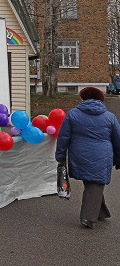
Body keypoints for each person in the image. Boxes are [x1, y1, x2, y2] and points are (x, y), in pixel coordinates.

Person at [55, 86, 120, 229]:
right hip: (102, 155)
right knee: (95, 183)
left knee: (92, 182)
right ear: (100, 99)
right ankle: (88, 217)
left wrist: (60, 156)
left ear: (83, 98)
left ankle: (101, 212)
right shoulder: (110, 117)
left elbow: (63, 137)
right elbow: (118, 139)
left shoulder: (72, 114)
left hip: (79, 155)